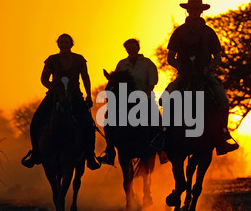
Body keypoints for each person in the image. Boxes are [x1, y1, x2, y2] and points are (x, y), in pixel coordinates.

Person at [151, 0, 239, 155]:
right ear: (187, 10)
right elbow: (170, 57)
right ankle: (163, 134)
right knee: (166, 98)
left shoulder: (209, 32)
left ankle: (224, 134)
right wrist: (181, 68)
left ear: (201, 11)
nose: (194, 12)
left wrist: (207, 68)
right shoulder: (179, 32)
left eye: (197, 9)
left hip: (205, 74)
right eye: (192, 9)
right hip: (184, 74)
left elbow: (217, 58)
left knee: (223, 99)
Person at [21, 33, 100, 170]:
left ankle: (90, 156)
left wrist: (88, 95)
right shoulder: (52, 60)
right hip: (54, 96)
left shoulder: (79, 59)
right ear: (58, 44)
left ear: (71, 44)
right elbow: (44, 79)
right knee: (36, 120)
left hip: (75, 96)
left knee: (87, 123)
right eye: (61, 42)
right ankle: (35, 153)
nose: (63, 44)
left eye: (66, 42)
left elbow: (85, 77)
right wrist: (56, 89)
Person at [98, 38, 159, 166]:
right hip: (125, 101)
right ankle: (110, 152)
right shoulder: (121, 64)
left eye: (134, 47)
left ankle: (161, 149)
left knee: (157, 120)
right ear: (126, 49)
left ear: (138, 48)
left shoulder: (147, 63)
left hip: (145, 98)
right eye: (129, 48)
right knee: (108, 119)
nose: (131, 49)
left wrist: (144, 97)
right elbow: (116, 81)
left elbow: (152, 83)